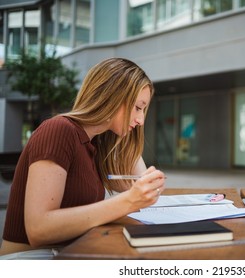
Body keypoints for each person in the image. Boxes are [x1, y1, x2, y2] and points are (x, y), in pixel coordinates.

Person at [0, 58, 165, 259]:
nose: (140, 120)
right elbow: (38, 229)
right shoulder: (59, 130)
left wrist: (124, 131)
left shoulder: (95, 143)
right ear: (112, 97)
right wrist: (128, 201)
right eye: (138, 107)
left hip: (66, 254)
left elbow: (135, 185)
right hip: (30, 260)